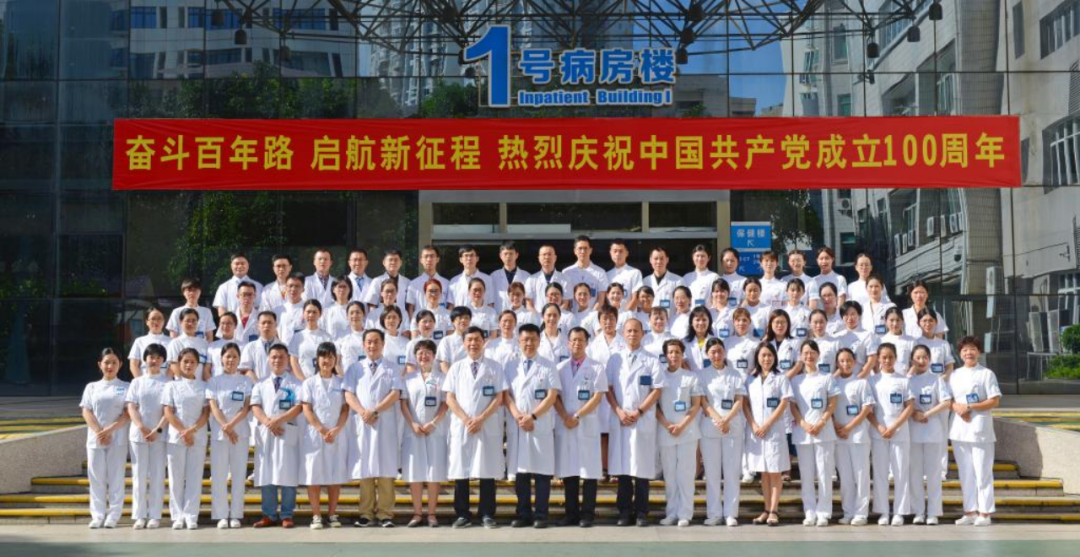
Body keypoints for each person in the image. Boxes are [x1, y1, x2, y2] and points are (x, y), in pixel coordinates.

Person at [444, 327, 507, 529]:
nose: (473, 343)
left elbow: (499, 397)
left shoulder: (495, 367)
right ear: (464, 343)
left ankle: (487, 513)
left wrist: (480, 419)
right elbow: (450, 397)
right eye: (469, 340)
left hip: (486, 425)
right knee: (461, 471)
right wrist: (466, 419)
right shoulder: (456, 368)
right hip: (462, 425)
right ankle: (463, 514)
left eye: (477, 339)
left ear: (483, 341)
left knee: (486, 470)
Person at [606, 319, 664, 527]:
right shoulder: (615, 359)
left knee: (641, 470)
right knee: (623, 470)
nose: (632, 334)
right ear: (623, 333)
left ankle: (641, 512)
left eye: (636, 330)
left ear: (642, 333)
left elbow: (657, 389)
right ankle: (623, 512)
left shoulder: (652, 360)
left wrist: (639, 412)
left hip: (642, 419)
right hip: (620, 418)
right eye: (629, 331)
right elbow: (608, 389)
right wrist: (619, 411)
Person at [343, 329, 402, 528]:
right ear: (363, 345)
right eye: (368, 342)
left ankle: (385, 513)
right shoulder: (354, 368)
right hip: (363, 423)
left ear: (383, 344)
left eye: (376, 341)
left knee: (385, 469)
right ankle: (366, 513)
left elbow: (395, 393)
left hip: (384, 423)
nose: (372, 345)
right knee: (365, 469)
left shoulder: (392, 367)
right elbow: (348, 394)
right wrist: (363, 412)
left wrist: (375, 411)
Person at [504, 324, 561, 529]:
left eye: (533, 339)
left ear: (539, 341)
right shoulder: (510, 366)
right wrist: (519, 416)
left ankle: (541, 515)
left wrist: (533, 417)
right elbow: (506, 395)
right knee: (522, 474)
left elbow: (552, 396)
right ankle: (523, 514)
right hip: (518, 424)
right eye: (525, 339)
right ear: (519, 341)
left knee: (542, 473)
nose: (529, 343)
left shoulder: (548, 365)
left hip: (539, 424)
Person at [553, 327, 608, 528]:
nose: (577, 343)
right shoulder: (560, 368)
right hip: (565, 424)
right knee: (569, 473)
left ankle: (587, 514)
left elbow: (598, 396)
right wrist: (564, 417)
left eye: (581, 340)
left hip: (586, 424)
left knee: (589, 473)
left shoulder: (596, 368)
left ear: (587, 343)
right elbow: (554, 396)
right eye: (573, 340)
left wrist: (576, 416)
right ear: (568, 343)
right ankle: (571, 514)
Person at [947, 336, 1001, 527]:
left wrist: (970, 407)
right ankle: (970, 512)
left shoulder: (986, 374)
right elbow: (948, 399)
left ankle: (985, 513)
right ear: (960, 353)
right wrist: (957, 407)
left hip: (980, 429)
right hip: (959, 429)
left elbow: (994, 400)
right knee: (965, 473)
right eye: (964, 350)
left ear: (979, 352)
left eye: (972, 349)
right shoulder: (955, 375)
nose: (968, 353)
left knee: (982, 472)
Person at [250, 344, 304, 529]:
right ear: (268, 359)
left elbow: (298, 407)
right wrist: (268, 422)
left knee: (288, 474)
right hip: (267, 433)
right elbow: (255, 406)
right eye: (274, 357)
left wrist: (279, 420)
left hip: (286, 431)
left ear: (287, 359)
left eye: (281, 357)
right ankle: (269, 514)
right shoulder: (260, 384)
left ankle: (287, 515)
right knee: (266, 475)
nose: (277, 360)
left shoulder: (296, 384)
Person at [789, 340, 840, 527]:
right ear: (801, 356)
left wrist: (821, 422)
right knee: (806, 475)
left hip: (823, 432)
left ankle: (824, 512)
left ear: (818, 355)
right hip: (803, 433)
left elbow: (832, 403)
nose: (809, 356)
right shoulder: (796, 380)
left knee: (825, 473)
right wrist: (803, 423)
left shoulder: (827, 377)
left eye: (812, 352)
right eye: (805, 353)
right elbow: (792, 405)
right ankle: (809, 511)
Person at [299, 342, 350, 530]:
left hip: (336, 434)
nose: (327, 361)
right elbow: (307, 409)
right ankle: (316, 515)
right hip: (315, 435)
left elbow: (345, 409)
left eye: (330, 357)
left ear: (335, 360)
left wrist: (336, 429)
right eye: (323, 357)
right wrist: (321, 429)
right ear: (317, 360)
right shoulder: (309, 383)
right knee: (314, 476)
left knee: (335, 475)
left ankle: (332, 514)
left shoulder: (341, 383)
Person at [400, 340, 449, 528]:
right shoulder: (408, 378)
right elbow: (403, 403)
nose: (424, 356)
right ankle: (417, 513)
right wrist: (412, 423)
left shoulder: (442, 378)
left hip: (435, 431)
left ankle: (432, 514)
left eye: (428, 352)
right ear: (415, 356)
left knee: (433, 474)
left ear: (434, 356)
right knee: (415, 473)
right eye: (420, 353)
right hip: (414, 431)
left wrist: (433, 423)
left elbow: (445, 403)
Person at [697, 338, 745, 527]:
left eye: (719, 351)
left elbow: (739, 400)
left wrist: (727, 420)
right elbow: (703, 401)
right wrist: (718, 419)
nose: (716, 355)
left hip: (732, 427)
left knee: (732, 472)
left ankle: (731, 513)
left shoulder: (735, 374)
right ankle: (714, 513)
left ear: (725, 352)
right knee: (712, 473)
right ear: (707, 354)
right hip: (711, 426)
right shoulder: (702, 375)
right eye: (713, 352)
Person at [743, 343, 792, 527]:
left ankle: (774, 510)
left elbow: (784, 403)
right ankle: (766, 509)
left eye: (770, 355)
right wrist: (754, 425)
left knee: (775, 471)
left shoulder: (781, 378)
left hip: (773, 430)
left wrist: (767, 424)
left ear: (775, 357)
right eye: (763, 355)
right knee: (763, 472)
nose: (766, 359)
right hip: (756, 431)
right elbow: (745, 404)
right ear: (757, 357)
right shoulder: (750, 379)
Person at [866, 343, 915, 526]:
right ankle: (883, 511)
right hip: (878, 432)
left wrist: (894, 427)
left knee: (901, 472)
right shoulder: (872, 381)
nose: (887, 360)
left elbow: (909, 406)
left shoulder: (904, 380)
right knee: (880, 473)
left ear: (896, 358)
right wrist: (879, 426)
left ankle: (900, 512)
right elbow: (868, 409)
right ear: (878, 359)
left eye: (890, 357)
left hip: (900, 432)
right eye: (884, 357)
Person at [655, 339, 703, 528]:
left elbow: (696, 405)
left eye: (677, 352)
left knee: (686, 474)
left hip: (687, 432)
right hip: (666, 431)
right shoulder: (660, 376)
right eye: (670, 352)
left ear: (683, 355)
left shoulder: (691, 377)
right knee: (670, 475)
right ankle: (672, 513)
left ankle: (685, 513)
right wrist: (667, 424)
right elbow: (655, 406)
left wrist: (681, 425)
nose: (673, 355)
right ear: (665, 355)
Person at [81, 348, 131, 529]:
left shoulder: (126, 386)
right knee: (96, 478)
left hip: (117, 438)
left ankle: (114, 515)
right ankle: (97, 515)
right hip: (96, 439)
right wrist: (99, 431)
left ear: (120, 365)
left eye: (114, 362)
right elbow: (86, 410)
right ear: (99, 365)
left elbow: (128, 413)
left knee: (116, 477)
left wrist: (110, 430)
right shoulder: (91, 387)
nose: (110, 366)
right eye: (106, 362)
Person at [162, 348, 210, 530]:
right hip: (176, 437)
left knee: (194, 477)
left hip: (197, 436)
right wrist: (184, 431)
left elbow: (206, 412)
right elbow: (168, 412)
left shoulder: (204, 386)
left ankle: (191, 515)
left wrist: (193, 430)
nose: (189, 365)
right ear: (179, 364)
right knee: (176, 478)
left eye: (192, 362)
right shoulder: (171, 386)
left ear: (198, 365)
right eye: (185, 362)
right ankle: (177, 516)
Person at [206, 342, 253, 529]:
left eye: (234, 356)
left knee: (239, 474)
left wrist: (231, 426)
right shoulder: (213, 381)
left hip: (240, 433)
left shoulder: (246, 381)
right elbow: (214, 407)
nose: (231, 360)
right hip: (220, 434)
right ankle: (221, 515)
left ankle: (235, 514)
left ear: (239, 359)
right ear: (221, 359)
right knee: (218, 475)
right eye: (227, 356)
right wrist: (226, 427)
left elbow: (246, 407)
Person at [907, 344, 953, 526]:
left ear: (930, 359)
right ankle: (918, 511)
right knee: (915, 474)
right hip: (913, 432)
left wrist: (926, 414)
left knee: (934, 474)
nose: (921, 361)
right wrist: (914, 413)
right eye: (918, 358)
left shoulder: (937, 380)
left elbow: (946, 402)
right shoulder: (907, 381)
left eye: (925, 357)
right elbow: (902, 404)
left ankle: (933, 512)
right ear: (912, 360)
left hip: (933, 431)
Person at [125, 343, 169, 529]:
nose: (154, 360)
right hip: (138, 435)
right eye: (151, 357)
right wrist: (142, 427)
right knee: (139, 475)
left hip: (160, 435)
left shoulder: (168, 382)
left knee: (157, 475)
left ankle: (155, 515)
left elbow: (169, 410)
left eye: (158, 357)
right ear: (145, 360)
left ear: (163, 360)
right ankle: (139, 515)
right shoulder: (137, 382)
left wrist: (157, 429)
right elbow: (131, 407)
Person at [832, 348, 874, 526]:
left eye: (849, 360)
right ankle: (848, 512)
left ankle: (861, 513)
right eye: (841, 361)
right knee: (846, 477)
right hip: (839, 436)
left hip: (858, 435)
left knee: (861, 475)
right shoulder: (833, 383)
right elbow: (828, 407)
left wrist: (849, 427)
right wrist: (836, 425)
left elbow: (866, 409)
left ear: (855, 362)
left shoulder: (861, 383)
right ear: (837, 363)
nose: (845, 364)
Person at [288, 300, 334, 381]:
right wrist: (304, 381)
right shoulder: (297, 337)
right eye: (308, 312)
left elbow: (330, 361)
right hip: (302, 381)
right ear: (303, 313)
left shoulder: (327, 337)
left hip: (322, 380)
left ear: (320, 314)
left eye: (314, 312)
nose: (311, 315)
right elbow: (293, 362)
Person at [563, 235, 610, 311]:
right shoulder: (566, 272)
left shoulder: (600, 272)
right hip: (572, 315)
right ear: (575, 251)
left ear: (590, 250)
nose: (583, 251)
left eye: (585, 248)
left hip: (593, 314)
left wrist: (591, 315)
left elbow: (601, 299)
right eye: (580, 248)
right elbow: (565, 299)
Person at [166, 308, 211, 381]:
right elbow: (173, 365)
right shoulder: (176, 343)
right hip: (182, 384)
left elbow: (207, 367)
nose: (190, 323)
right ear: (181, 322)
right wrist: (185, 382)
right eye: (187, 321)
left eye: (193, 321)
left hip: (200, 385)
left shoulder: (204, 343)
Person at [525, 243, 570, 312]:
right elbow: (529, 304)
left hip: (559, 317)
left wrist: (555, 315)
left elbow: (565, 303)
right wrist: (539, 316)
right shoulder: (531, 280)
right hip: (537, 317)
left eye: (549, 254)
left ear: (555, 258)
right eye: (544, 254)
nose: (547, 257)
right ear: (539, 258)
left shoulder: (565, 279)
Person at [128, 307, 170, 378]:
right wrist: (141, 381)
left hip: (165, 382)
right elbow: (133, 365)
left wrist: (166, 381)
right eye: (153, 319)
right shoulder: (139, 341)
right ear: (147, 322)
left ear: (164, 321)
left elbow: (173, 365)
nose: (156, 322)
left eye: (159, 318)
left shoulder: (172, 342)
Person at [239, 311, 282, 383]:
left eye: (269, 322)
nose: (266, 325)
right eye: (263, 323)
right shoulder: (250, 347)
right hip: (256, 386)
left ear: (276, 325)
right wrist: (258, 385)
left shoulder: (283, 347)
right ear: (258, 326)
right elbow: (245, 369)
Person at [407, 245, 450, 315]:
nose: (429, 259)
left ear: (437, 259)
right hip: (420, 320)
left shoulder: (446, 283)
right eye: (426, 256)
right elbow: (410, 308)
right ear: (421, 260)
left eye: (432, 256)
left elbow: (450, 306)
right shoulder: (413, 284)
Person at [641, 246, 682, 319]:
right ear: (650, 260)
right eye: (656, 258)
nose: (658, 261)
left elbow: (682, 306)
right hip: (649, 322)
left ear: (667, 260)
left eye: (661, 258)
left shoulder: (678, 280)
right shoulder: (644, 281)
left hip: (670, 322)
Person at [492, 241, 532, 312]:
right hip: (499, 315)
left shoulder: (527, 276)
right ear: (500, 256)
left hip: (521, 315)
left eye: (511, 254)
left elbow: (529, 300)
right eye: (505, 254)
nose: (508, 256)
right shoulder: (493, 276)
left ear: (516, 255)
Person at [880, 307, 918, 374]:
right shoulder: (881, 341)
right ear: (886, 321)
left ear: (902, 321)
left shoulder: (911, 341)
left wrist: (908, 376)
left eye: (898, 320)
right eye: (891, 320)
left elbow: (915, 363)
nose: (895, 323)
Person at [607, 239, 643, 310]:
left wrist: (625, 314)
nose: (617, 254)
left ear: (627, 253)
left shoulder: (635, 273)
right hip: (610, 315)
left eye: (621, 251)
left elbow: (636, 298)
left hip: (629, 315)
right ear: (610, 253)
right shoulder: (607, 275)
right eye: (615, 251)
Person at [682, 244, 720, 310]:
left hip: (709, 313)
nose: (700, 259)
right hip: (690, 313)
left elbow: (717, 298)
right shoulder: (686, 277)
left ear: (709, 258)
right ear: (693, 257)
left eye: (703, 256)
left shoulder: (714, 277)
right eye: (697, 256)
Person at [436, 306, 472, 372]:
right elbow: (443, 365)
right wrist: (452, 377)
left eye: (466, 318)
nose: (463, 320)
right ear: (453, 321)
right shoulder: (446, 341)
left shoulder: (474, 340)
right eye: (460, 318)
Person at [861, 274, 896, 339]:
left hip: (885, 341)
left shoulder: (890, 306)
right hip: (867, 342)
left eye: (876, 286)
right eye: (871, 286)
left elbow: (896, 327)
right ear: (866, 288)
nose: (873, 290)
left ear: (882, 287)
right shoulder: (862, 307)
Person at [276, 273, 307, 345]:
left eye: (297, 286)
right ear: (285, 288)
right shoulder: (278, 310)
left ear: (303, 289)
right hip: (282, 349)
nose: (293, 289)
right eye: (290, 286)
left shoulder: (308, 309)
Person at [682, 306, 714, 373]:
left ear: (709, 322)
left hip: (711, 377)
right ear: (691, 322)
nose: (701, 323)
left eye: (704, 320)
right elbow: (682, 362)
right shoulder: (683, 342)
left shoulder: (715, 341)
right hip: (690, 377)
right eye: (697, 320)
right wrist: (692, 376)